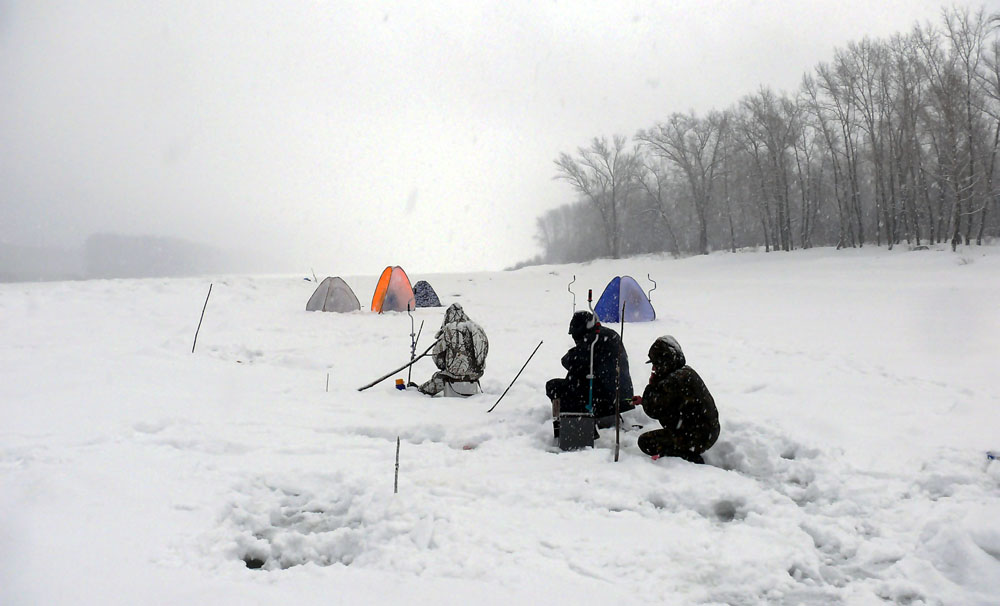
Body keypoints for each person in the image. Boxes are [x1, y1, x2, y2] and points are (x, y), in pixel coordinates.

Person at [545, 310, 634, 436]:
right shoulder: (607, 334)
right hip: (620, 395)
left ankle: (577, 427)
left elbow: (571, 360)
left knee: (555, 387)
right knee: (578, 377)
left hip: (605, 397)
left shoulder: (594, 339)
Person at [636, 336, 719, 463]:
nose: (653, 368)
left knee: (646, 442)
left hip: (697, 437)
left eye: (655, 364)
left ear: (664, 362)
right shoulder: (685, 372)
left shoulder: (673, 381)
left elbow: (654, 410)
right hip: (705, 432)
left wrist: (652, 385)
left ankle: (686, 456)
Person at [416, 303, 488, 396]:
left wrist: (443, 365)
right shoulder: (477, 328)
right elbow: (484, 349)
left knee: (438, 379)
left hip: (454, 374)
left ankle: (420, 392)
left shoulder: (449, 329)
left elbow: (437, 353)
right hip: (476, 373)